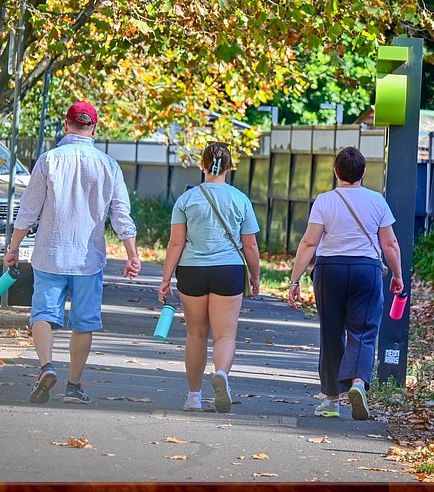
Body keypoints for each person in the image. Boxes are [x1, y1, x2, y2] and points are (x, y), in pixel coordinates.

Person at [5, 101, 141, 405]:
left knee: (42, 314)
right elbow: (121, 214)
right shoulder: (108, 165)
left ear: (66, 125)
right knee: (84, 322)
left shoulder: (48, 160)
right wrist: (132, 253)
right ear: (94, 129)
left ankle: (46, 367)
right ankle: (74, 386)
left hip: (49, 254)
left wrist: (13, 249)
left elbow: (28, 211)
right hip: (88, 259)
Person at [287, 146, 403, 420]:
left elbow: (309, 242)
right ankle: (358, 384)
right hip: (367, 270)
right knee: (363, 332)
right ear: (363, 172)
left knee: (331, 332)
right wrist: (397, 275)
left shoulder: (325, 201)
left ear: (337, 172)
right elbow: (390, 243)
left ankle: (331, 401)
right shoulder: (377, 201)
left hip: (330, 271)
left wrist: (295, 279)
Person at [158, 142, 260, 413]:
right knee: (225, 334)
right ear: (229, 167)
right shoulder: (240, 199)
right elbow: (249, 245)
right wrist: (256, 276)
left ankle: (193, 396)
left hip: (192, 271)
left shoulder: (186, 200)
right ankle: (222, 375)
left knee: (196, 334)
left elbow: (176, 243)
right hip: (228, 270)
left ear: (202, 166)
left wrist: (166, 278)